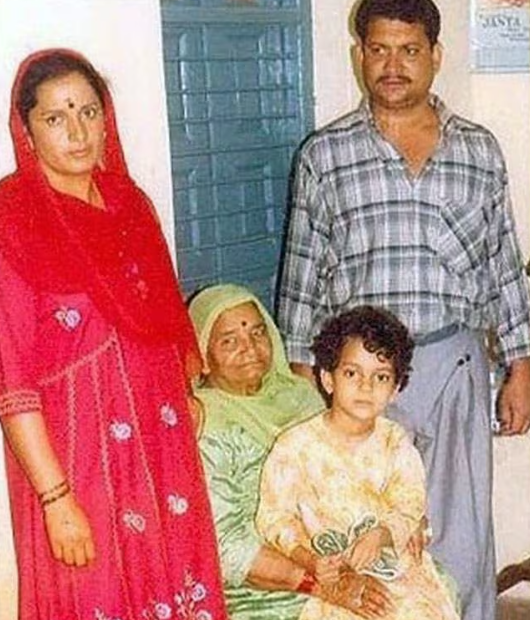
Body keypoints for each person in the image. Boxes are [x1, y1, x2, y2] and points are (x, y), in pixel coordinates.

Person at [277, 1, 530, 619]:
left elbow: (503, 261)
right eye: (379, 50)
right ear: (360, 54)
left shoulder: (479, 149)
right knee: (367, 531)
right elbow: (303, 273)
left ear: (435, 56)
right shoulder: (324, 155)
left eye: (409, 50)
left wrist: (522, 364)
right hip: (361, 377)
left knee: (460, 531)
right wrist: (300, 376)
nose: (393, 66)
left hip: (455, 364)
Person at [0, 49, 227, 620]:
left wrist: (184, 390)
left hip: (159, 438)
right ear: (26, 128)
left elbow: (164, 318)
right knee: (96, 593)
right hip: (78, 459)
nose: (77, 132)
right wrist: (55, 499)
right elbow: (11, 377)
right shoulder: (12, 219)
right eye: (56, 117)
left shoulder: (130, 204)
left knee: (177, 582)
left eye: (89, 112)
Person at [188, 284, 393, 620]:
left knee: (430, 588)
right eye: (229, 341)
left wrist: (395, 523)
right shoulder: (206, 424)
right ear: (203, 355)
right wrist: (323, 584)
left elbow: (357, 468)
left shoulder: (299, 396)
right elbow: (227, 547)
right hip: (267, 584)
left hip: (339, 553)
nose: (250, 349)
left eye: (258, 333)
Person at [256, 306, 460, 620]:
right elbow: (274, 517)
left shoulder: (395, 442)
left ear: (395, 389)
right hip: (334, 575)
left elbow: (410, 502)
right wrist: (309, 560)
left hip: (397, 571)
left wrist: (384, 533)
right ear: (327, 379)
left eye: (380, 377)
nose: (366, 387)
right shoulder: (295, 447)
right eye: (352, 373)